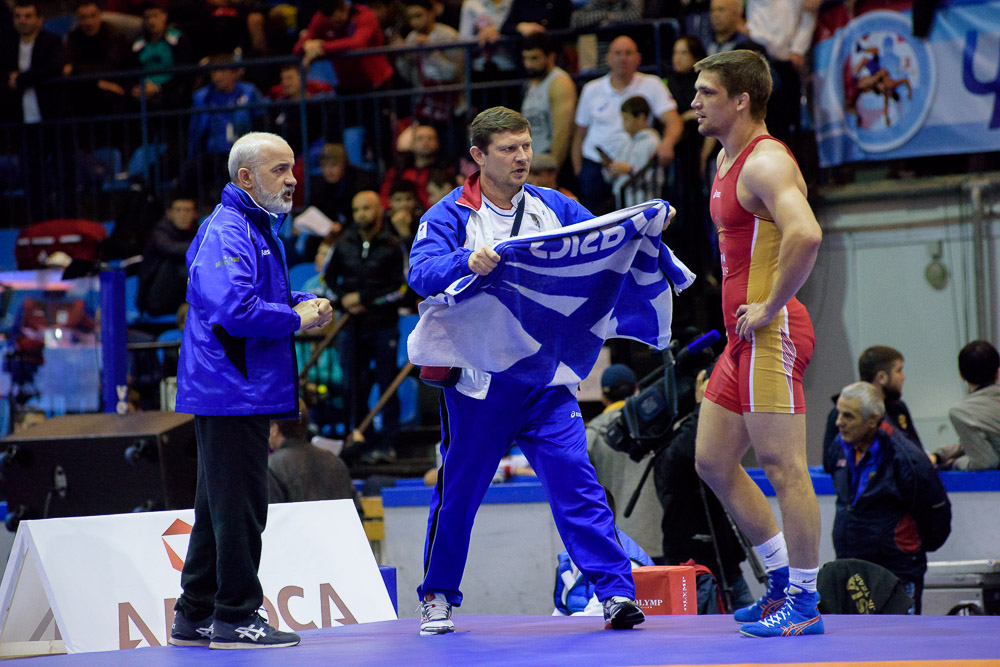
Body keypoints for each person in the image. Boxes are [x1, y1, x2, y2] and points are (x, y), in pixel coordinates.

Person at [407, 106, 645, 636]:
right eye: (508, 149)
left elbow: (606, 239)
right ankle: (438, 597)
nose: (522, 157)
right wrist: (464, 261)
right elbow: (420, 273)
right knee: (459, 496)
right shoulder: (449, 215)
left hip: (545, 381)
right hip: (479, 385)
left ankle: (615, 593)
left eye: (526, 146)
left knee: (577, 482)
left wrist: (645, 226)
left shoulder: (554, 205)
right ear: (478, 156)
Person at [170, 132, 333, 650]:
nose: (292, 179)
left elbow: (258, 294)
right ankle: (236, 617)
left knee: (217, 506)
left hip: (236, 388)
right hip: (230, 390)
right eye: (279, 169)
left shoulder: (254, 227)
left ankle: (196, 613)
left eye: (293, 168)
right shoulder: (229, 229)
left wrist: (302, 300)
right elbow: (233, 310)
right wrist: (296, 318)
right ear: (245, 177)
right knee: (240, 508)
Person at [690, 50, 824, 637]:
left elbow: (807, 233)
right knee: (713, 461)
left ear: (741, 100)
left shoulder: (765, 162)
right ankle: (779, 577)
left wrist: (769, 305)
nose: (694, 102)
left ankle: (805, 601)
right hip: (741, 338)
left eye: (706, 93)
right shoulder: (724, 158)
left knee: (784, 467)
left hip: (771, 331)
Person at [826, 381, 952, 614]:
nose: (838, 422)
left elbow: (937, 514)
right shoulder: (839, 446)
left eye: (848, 416)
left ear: (873, 419)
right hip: (851, 571)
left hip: (897, 574)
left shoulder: (906, 458)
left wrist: (905, 548)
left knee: (901, 636)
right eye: (838, 413)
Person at [654, 360, 755, 613]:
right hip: (691, 570)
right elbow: (689, 453)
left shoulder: (716, 437)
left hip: (728, 565)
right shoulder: (671, 446)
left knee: (748, 624)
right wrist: (704, 406)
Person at [324, 190, 406, 464]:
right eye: (356, 209)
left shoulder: (393, 244)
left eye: (366, 208)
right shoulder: (342, 244)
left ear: (379, 210)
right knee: (353, 386)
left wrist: (364, 299)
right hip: (351, 326)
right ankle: (361, 441)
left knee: (387, 384)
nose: (360, 214)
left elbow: (401, 288)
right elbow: (327, 280)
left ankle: (389, 443)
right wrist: (344, 300)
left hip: (384, 325)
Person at [572, 35, 682, 215]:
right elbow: (580, 133)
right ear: (608, 58)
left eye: (628, 53)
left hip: (636, 165)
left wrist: (667, 144)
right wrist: (579, 170)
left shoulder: (652, 84)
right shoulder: (591, 89)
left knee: (636, 216)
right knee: (595, 221)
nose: (623, 58)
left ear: (638, 58)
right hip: (596, 165)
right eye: (617, 53)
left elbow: (673, 120)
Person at [586, 363, 663, 560]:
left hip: (617, 545)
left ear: (603, 397)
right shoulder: (661, 426)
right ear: (636, 389)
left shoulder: (590, 436)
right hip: (661, 539)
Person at [822, 345, 922, 470]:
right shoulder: (839, 413)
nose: (903, 377)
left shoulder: (899, 409)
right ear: (882, 377)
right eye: (899, 371)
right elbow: (829, 462)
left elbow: (917, 452)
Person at [268, 398, 359, 506]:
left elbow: (272, 514)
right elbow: (356, 512)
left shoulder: (272, 466)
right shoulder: (335, 461)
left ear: (275, 428)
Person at [294, 0, 394, 95]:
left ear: (344, 8)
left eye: (338, 21)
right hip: (347, 86)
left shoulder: (365, 15)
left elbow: (357, 44)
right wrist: (306, 46)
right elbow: (297, 49)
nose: (335, 25)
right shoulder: (321, 18)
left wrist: (321, 47)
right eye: (331, 22)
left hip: (377, 84)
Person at [930, 340, 1000, 470]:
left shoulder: (962, 413)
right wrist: (941, 454)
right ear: (998, 372)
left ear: (961, 375)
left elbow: (984, 462)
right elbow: (980, 443)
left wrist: (955, 463)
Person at [519, 33, 576, 170]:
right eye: (525, 58)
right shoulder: (531, 84)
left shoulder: (559, 82)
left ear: (551, 57)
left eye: (534, 58)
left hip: (548, 166)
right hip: (534, 163)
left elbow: (562, 133)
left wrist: (552, 169)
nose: (528, 64)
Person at [137, 193, 199, 316]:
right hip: (155, 298)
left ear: (194, 214)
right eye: (178, 210)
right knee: (174, 263)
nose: (183, 215)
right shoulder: (160, 231)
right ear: (169, 213)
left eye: (187, 210)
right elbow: (170, 248)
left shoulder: (197, 232)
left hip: (180, 296)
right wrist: (203, 248)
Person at [128, 1, 193, 110]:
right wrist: (135, 88)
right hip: (144, 90)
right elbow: (130, 70)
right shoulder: (137, 44)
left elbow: (183, 71)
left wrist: (159, 88)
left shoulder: (177, 39)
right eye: (147, 17)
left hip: (170, 90)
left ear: (164, 16)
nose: (151, 21)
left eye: (155, 16)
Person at [603, 95, 661, 207]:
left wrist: (630, 171)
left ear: (641, 118)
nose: (623, 123)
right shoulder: (625, 141)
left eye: (627, 119)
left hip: (644, 204)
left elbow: (656, 179)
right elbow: (612, 178)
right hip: (622, 202)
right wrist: (610, 168)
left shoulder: (652, 142)